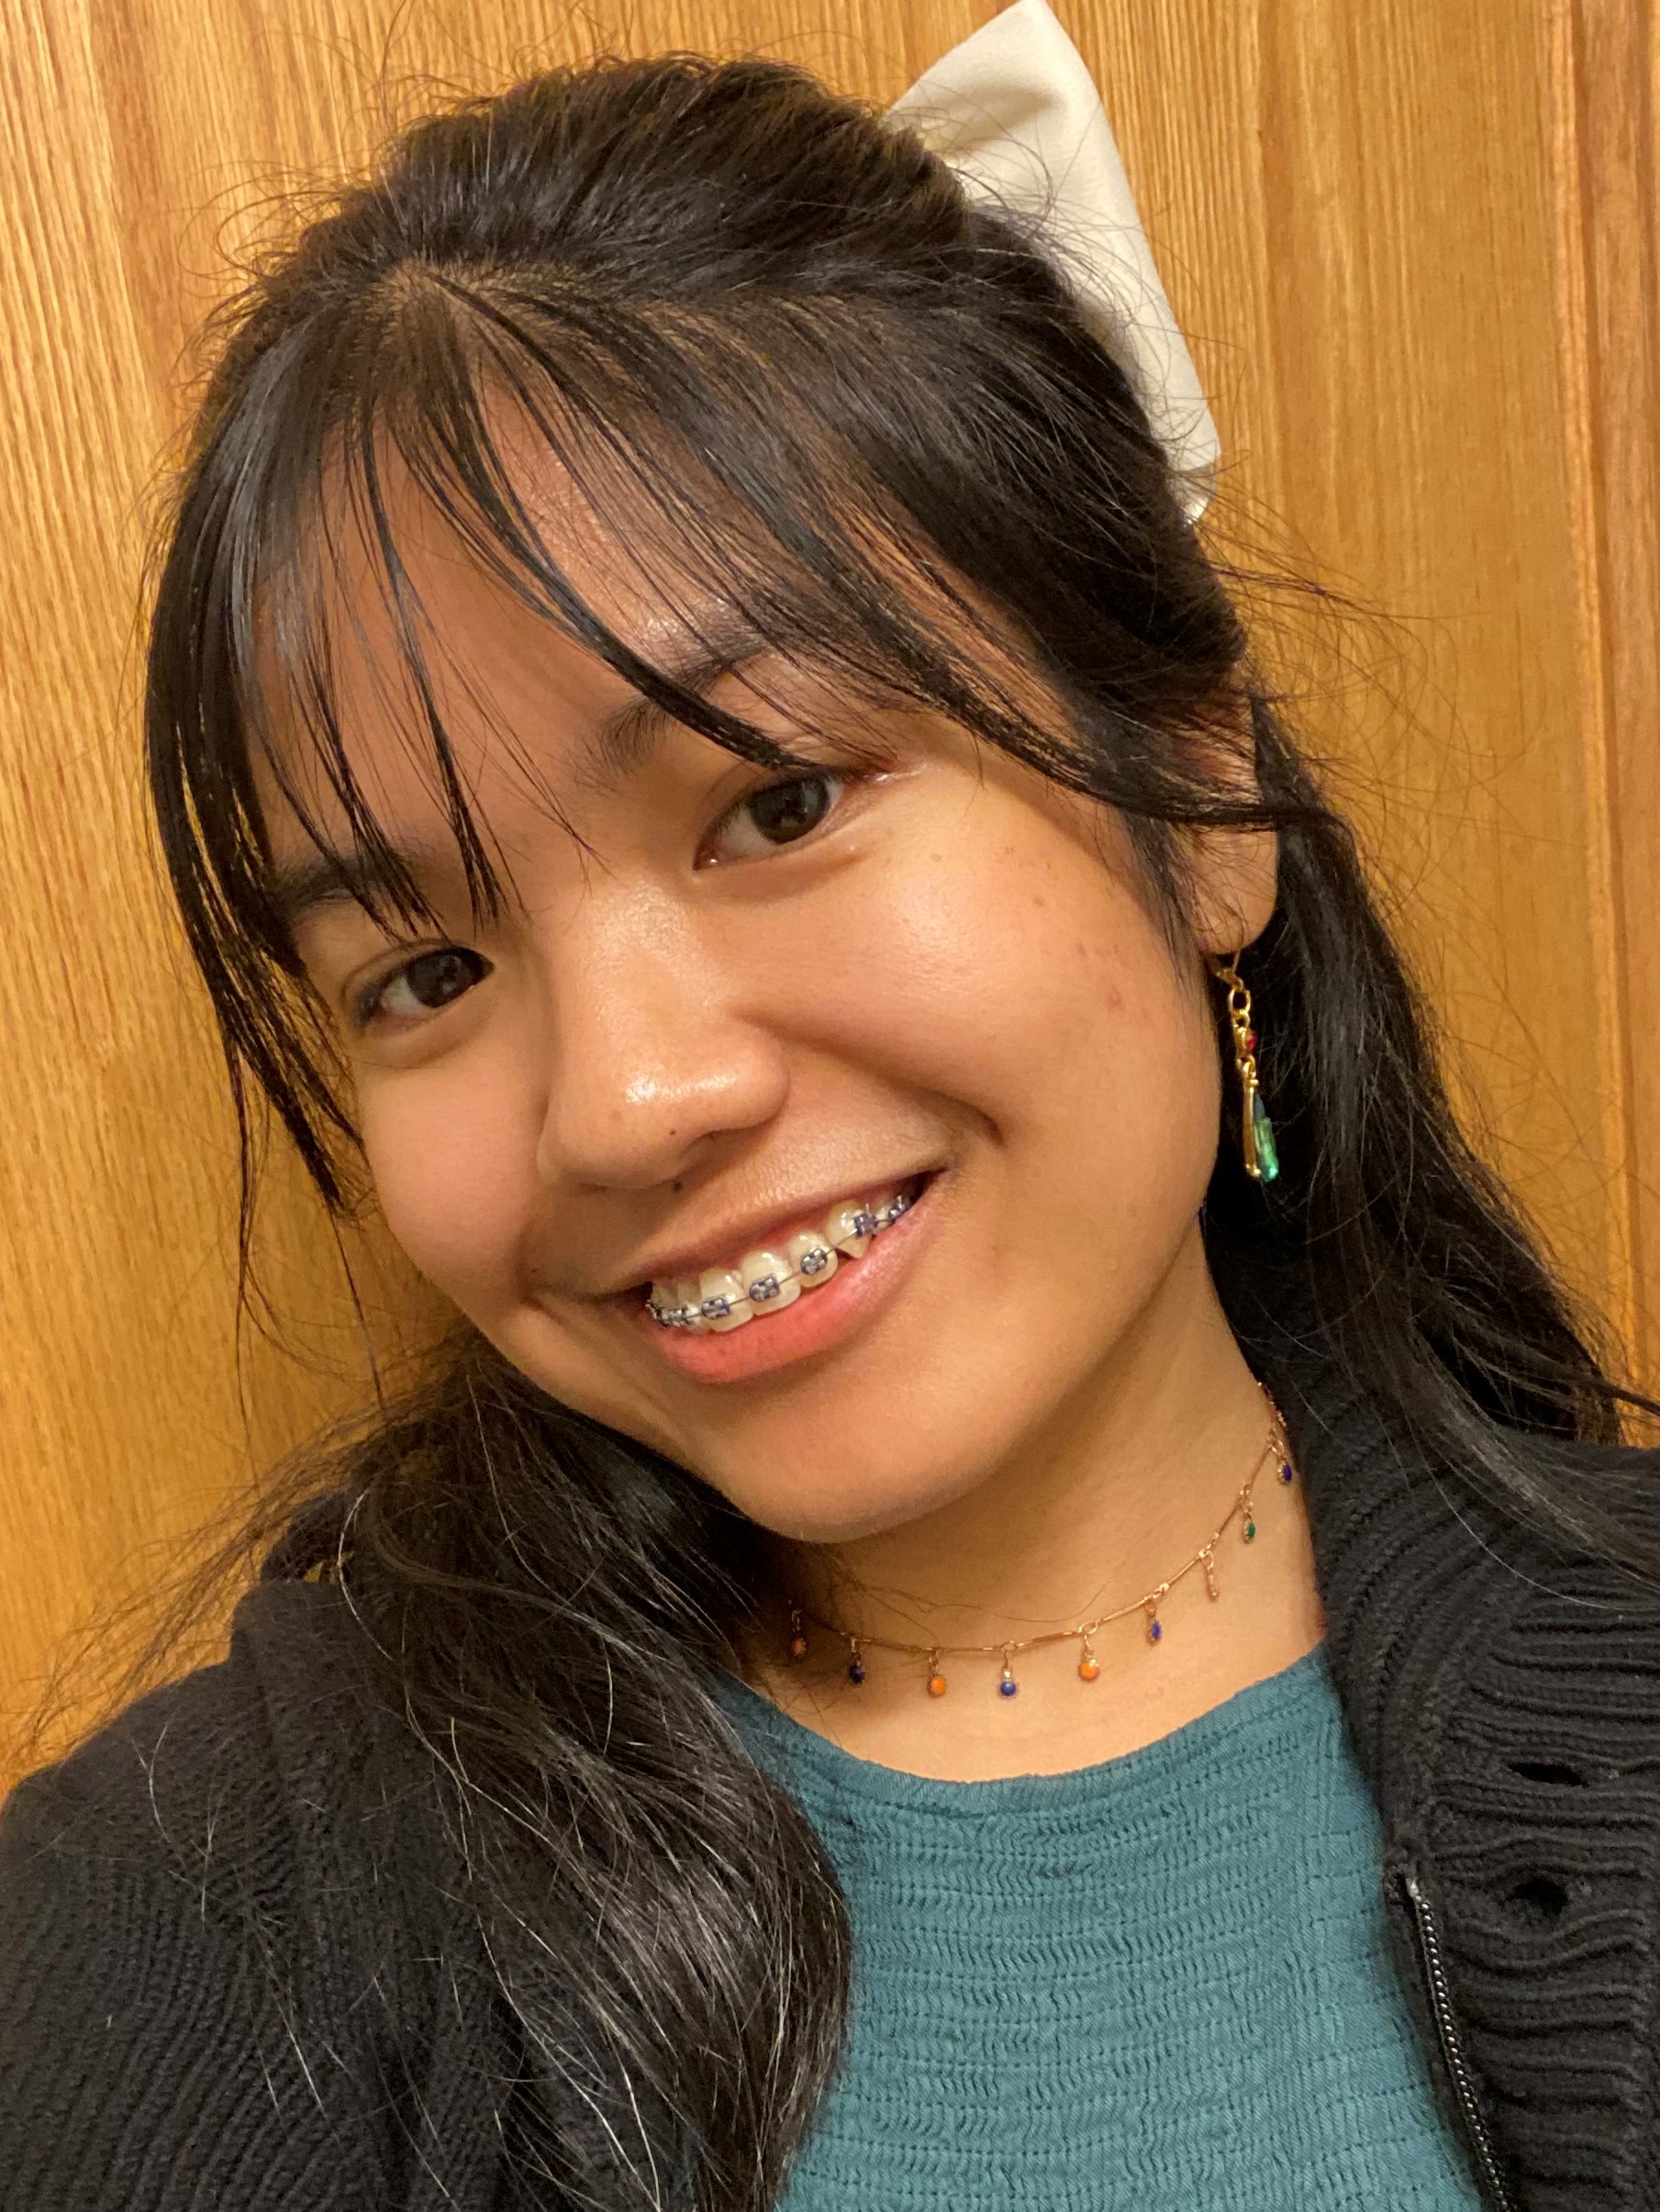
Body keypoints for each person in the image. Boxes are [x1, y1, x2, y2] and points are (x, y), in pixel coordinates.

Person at [1, 23, 1656, 2212]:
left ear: (1198, 791)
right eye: (427, 974)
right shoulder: (173, 1938)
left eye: (776, 802)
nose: (627, 1102)